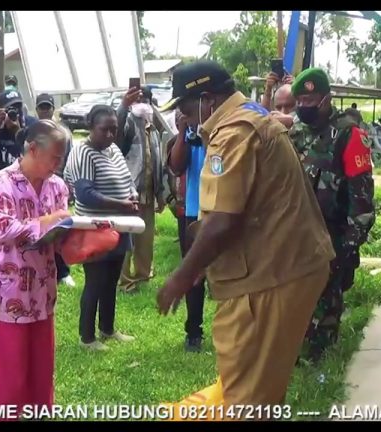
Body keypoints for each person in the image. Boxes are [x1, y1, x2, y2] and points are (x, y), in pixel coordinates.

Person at [156, 61, 335, 409]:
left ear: (207, 99)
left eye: (185, 107)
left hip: (269, 278)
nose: (184, 117)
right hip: (288, 268)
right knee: (263, 390)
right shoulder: (252, 115)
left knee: (244, 399)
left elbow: (222, 220)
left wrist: (182, 276)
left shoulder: (234, 131)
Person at [0, 120, 70, 420]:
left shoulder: (57, 187)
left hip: (39, 295)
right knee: (4, 381)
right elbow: (0, 228)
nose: (58, 164)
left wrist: (85, 237)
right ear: (33, 149)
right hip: (1, 296)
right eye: (54, 157)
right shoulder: (1, 183)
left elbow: (59, 236)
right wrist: (47, 222)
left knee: (39, 377)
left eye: (61, 158)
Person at [288, 68, 376, 362]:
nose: (304, 106)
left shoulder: (349, 134)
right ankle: (299, 344)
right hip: (298, 231)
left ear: (327, 99)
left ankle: (321, 356)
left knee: (327, 294)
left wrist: (351, 243)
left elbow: (361, 196)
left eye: (310, 99)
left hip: (334, 231)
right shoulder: (297, 131)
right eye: (300, 100)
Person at [63, 105, 139, 351]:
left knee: (112, 280)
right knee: (96, 281)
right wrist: (122, 204)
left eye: (113, 130)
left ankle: (107, 328)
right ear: (90, 128)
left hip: (120, 225)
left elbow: (127, 180)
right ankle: (87, 337)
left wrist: (132, 196)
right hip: (95, 228)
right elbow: (85, 195)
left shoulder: (113, 149)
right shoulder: (82, 152)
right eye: (104, 130)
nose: (109, 135)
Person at [116, 86, 165, 293]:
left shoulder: (152, 127)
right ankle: (125, 281)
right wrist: (123, 106)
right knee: (127, 239)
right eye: (138, 99)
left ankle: (143, 276)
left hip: (148, 192)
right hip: (129, 193)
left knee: (145, 239)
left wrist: (161, 193)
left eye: (145, 98)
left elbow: (158, 162)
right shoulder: (127, 122)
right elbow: (117, 138)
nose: (142, 102)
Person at [167, 109, 207, 352]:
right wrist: (183, 130)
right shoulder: (188, 135)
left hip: (224, 210)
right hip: (193, 210)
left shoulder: (222, 129)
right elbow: (177, 165)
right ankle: (194, 330)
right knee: (193, 272)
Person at [33, 93, 75, 287]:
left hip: (58, 184)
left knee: (59, 229)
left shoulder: (64, 133)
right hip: (37, 184)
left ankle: (63, 271)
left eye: (48, 107)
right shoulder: (32, 131)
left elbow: (70, 159)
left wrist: (67, 183)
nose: (45, 111)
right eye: (41, 107)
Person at [0, 89, 38, 171]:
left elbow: (36, 153)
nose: (16, 111)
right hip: (5, 177)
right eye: (11, 108)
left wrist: (17, 131)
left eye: (18, 107)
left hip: (27, 174)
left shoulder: (33, 124)